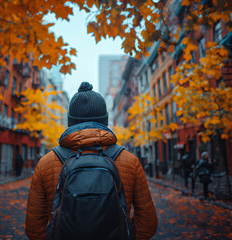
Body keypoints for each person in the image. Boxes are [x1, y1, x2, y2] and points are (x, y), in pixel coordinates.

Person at [25, 82, 158, 240]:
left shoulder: (46, 163)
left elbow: (33, 228)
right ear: (105, 120)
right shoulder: (130, 161)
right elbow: (148, 224)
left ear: (70, 122)